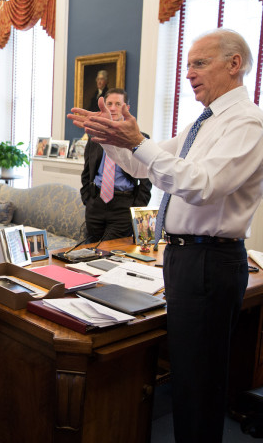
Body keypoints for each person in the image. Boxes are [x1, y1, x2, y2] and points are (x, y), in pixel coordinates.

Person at [68, 28, 263, 442]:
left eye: (199, 63)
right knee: (189, 375)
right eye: (187, 64)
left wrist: (138, 141)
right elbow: (145, 166)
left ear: (234, 64)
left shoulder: (248, 123)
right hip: (184, 258)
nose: (189, 73)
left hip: (210, 260)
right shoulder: (204, 121)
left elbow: (201, 184)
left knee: (199, 384)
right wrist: (114, 140)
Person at [80, 89, 152, 241]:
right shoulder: (94, 137)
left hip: (123, 205)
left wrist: (137, 206)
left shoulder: (139, 138)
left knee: (111, 253)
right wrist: (87, 197)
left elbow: (147, 178)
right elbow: (86, 171)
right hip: (96, 203)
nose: (112, 108)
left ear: (126, 108)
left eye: (118, 104)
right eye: (109, 104)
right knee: (90, 252)